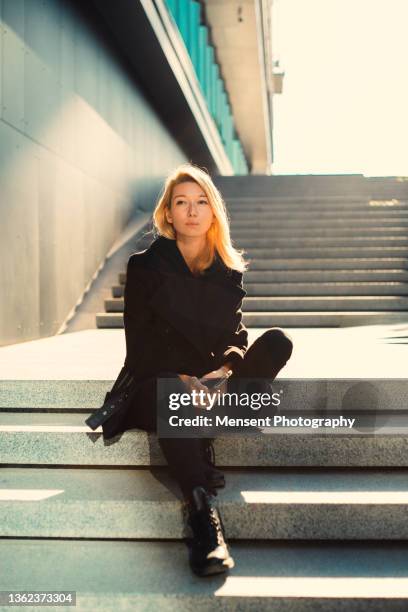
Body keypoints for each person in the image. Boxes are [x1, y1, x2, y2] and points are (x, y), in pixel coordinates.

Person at [96, 163, 293, 576]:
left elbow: (237, 337)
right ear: (167, 213)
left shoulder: (227, 270)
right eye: (181, 203)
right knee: (171, 392)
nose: (191, 210)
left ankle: (201, 425)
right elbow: (140, 346)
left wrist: (221, 373)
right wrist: (187, 382)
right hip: (157, 383)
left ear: (212, 211)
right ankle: (203, 519)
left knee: (276, 342)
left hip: (213, 386)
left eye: (201, 201)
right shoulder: (145, 265)